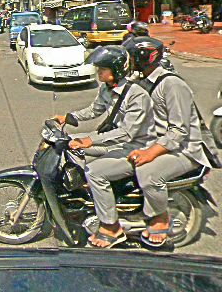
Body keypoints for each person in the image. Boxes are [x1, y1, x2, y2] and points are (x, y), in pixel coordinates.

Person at [50, 45, 156, 249]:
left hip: (137, 148)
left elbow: (127, 133)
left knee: (95, 172)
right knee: (71, 143)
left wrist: (91, 140)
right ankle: (99, 195)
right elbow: (94, 110)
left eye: (103, 69)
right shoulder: (107, 88)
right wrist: (69, 117)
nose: (99, 72)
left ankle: (111, 227)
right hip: (117, 142)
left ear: (116, 70)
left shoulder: (137, 95)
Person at [125, 36, 218, 247]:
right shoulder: (142, 81)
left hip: (185, 150)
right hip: (160, 143)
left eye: (130, 58)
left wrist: (150, 153)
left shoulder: (172, 85)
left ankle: (159, 220)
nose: (127, 63)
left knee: (148, 173)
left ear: (144, 58)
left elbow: (179, 131)